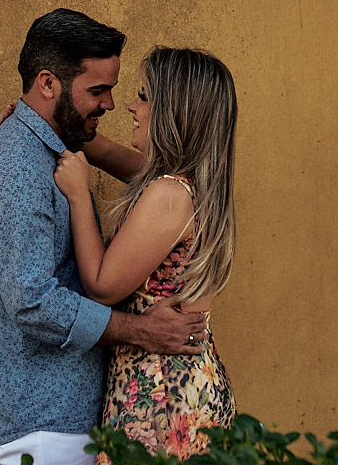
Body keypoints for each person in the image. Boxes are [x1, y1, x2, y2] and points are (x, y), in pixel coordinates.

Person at [0, 10, 208, 465]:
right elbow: (33, 302)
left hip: (77, 416)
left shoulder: (59, 152)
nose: (113, 104)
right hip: (46, 425)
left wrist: (39, 123)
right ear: (48, 83)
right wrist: (141, 330)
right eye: (98, 91)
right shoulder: (14, 170)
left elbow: (153, 172)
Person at [52, 46, 237, 460]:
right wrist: (40, 120)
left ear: (173, 112)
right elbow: (110, 154)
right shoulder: (191, 186)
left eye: (144, 96)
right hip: (186, 388)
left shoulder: (168, 195)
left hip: (161, 400)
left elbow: (101, 287)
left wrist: (79, 194)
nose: (131, 106)